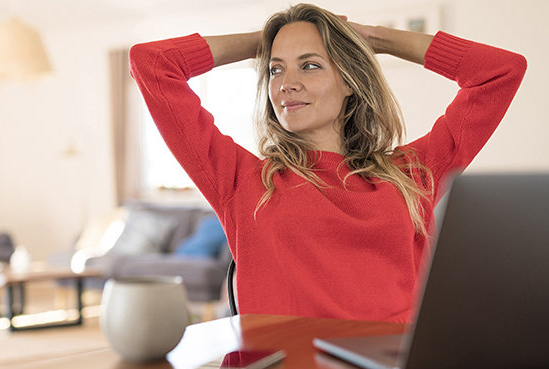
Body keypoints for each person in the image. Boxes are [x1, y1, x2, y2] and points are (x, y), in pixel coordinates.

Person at [128, 3, 526, 322]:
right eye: (275, 69)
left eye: (311, 64)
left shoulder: (412, 173)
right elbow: (152, 63)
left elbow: (499, 71)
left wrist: (373, 38)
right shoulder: (241, 179)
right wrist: (263, 41)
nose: (287, 83)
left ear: (349, 80)